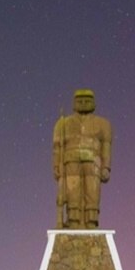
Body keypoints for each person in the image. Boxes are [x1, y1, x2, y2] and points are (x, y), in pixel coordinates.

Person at [52, 89, 112, 228]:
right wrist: (56, 165)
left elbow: (106, 147)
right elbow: (57, 147)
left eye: (87, 101)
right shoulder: (63, 124)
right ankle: (73, 219)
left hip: (93, 162)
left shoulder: (103, 124)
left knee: (92, 191)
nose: (84, 103)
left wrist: (106, 167)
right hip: (70, 160)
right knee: (72, 191)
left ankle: (91, 220)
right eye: (80, 101)